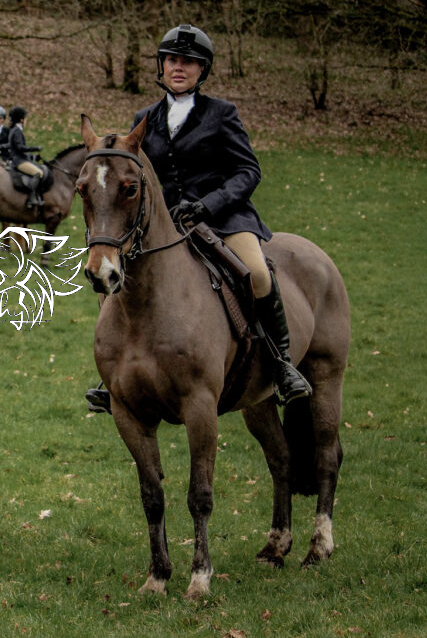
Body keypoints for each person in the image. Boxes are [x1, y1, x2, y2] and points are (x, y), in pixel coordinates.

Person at [84, 23, 311, 414]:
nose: (179, 68)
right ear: (162, 65)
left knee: (257, 273)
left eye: (188, 62)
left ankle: (282, 363)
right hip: (165, 226)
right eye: (172, 60)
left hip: (223, 218)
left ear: (201, 69)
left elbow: (248, 171)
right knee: (112, 279)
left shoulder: (222, 114)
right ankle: (118, 372)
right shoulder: (145, 118)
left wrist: (208, 204)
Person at [5, 106, 51, 208]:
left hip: (20, 159)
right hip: (19, 162)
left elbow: (18, 150)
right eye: (25, 118)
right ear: (21, 120)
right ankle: (31, 198)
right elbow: (20, 148)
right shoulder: (17, 131)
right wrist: (35, 148)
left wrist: (33, 157)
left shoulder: (15, 130)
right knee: (38, 173)